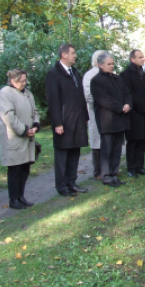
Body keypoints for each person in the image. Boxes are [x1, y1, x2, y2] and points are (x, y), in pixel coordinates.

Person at [45, 43, 89, 196]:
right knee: (62, 155)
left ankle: (72, 182)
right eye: (72, 53)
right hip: (63, 121)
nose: (75, 55)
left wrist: (85, 116)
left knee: (74, 153)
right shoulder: (54, 74)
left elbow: (80, 96)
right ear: (64, 55)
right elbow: (53, 100)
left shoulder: (75, 72)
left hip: (77, 119)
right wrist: (58, 122)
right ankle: (62, 186)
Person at [0, 69, 40, 209]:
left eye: (25, 80)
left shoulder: (28, 93)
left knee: (25, 169)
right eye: (21, 81)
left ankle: (21, 196)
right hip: (14, 138)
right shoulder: (5, 93)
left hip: (28, 139)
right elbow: (8, 116)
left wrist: (35, 125)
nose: (24, 83)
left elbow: (35, 111)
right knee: (15, 170)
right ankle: (13, 199)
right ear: (12, 81)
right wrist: (24, 130)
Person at [91, 52, 132, 187]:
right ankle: (107, 176)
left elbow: (127, 92)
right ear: (100, 65)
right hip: (107, 121)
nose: (111, 66)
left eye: (112, 64)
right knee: (107, 150)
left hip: (120, 119)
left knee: (116, 149)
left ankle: (114, 173)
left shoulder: (117, 78)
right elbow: (104, 100)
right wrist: (120, 107)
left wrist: (128, 104)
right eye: (108, 64)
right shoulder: (96, 81)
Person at [120, 49, 145, 178]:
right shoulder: (125, 75)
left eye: (143, 57)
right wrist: (143, 107)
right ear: (132, 59)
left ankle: (140, 166)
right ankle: (131, 168)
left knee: (142, 141)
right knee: (133, 141)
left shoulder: (143, 74)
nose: (142, 59)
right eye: (140, 57)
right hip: (133, 114)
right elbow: (130, 95)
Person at [82, 50, 105, 181]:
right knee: (97, 143)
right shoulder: (89, 75)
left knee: (107, 141)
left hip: (109, 114)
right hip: (95, 112)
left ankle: (107, 168)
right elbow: (88, 96)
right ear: (97, 62)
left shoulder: (110, 74)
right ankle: (97, 171)